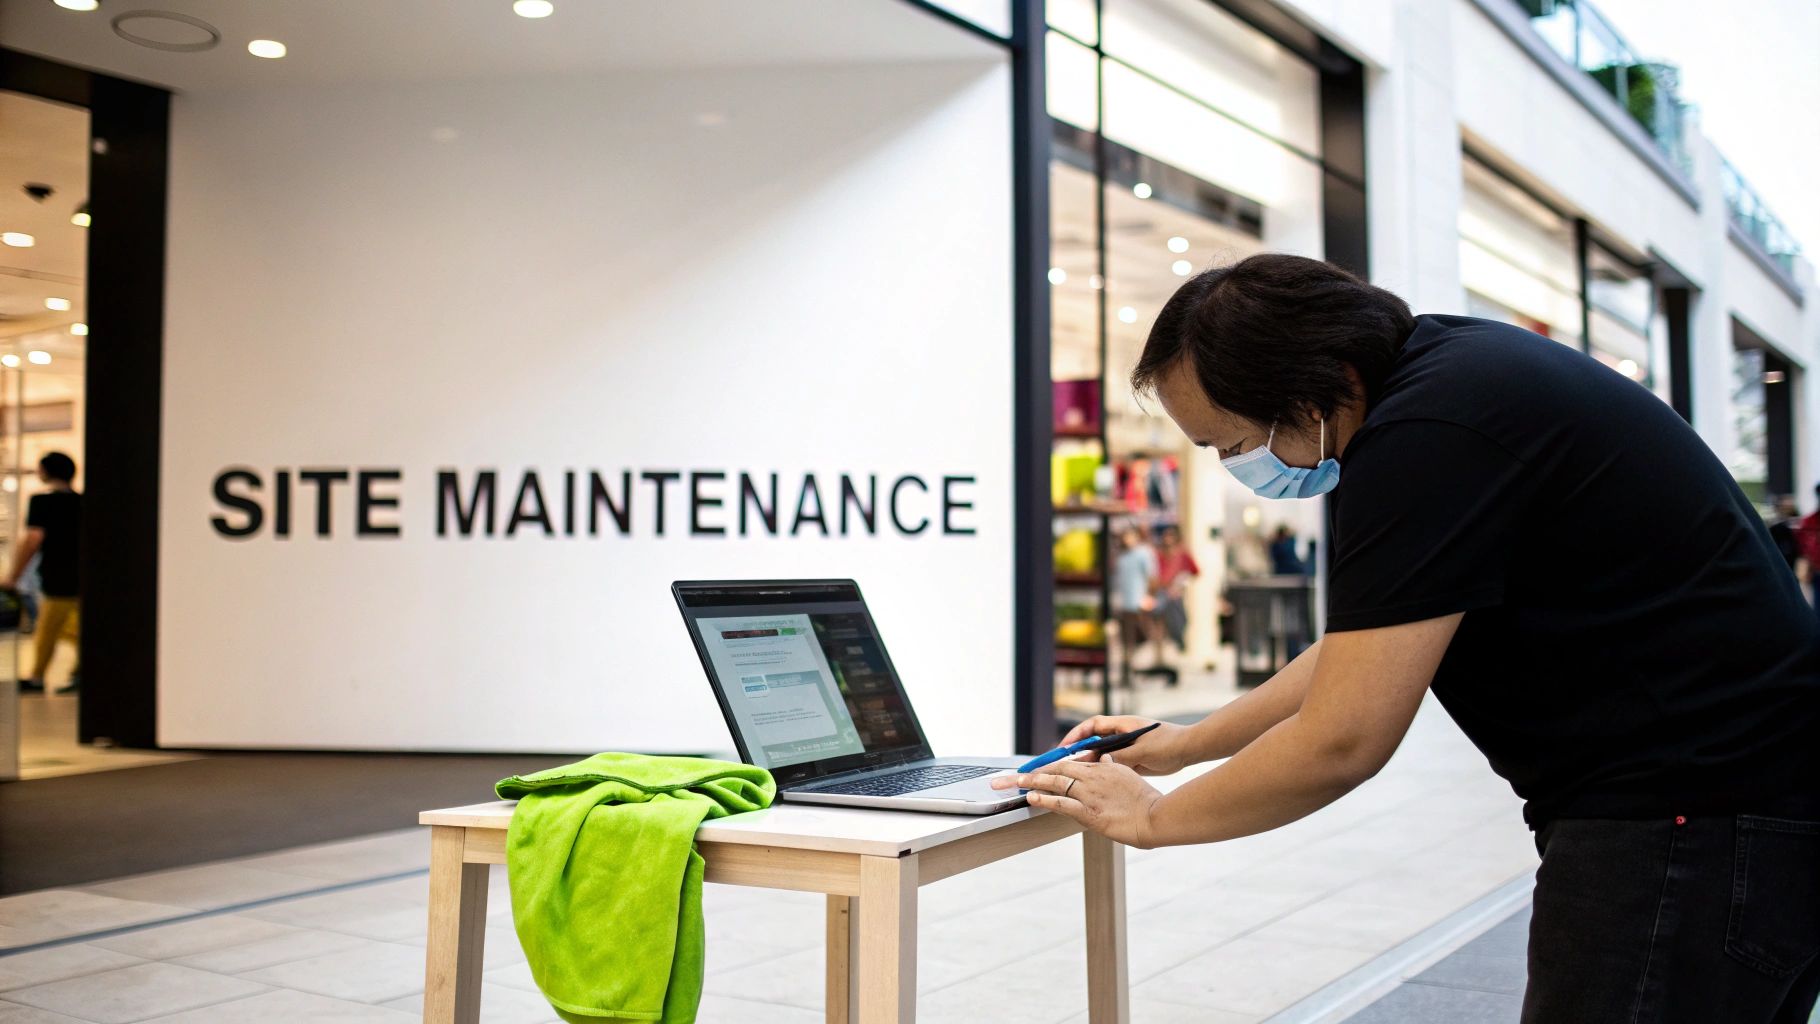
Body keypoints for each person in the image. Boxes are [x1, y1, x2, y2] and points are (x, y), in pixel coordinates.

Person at [993, 254, 1820, 1023]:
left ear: (1316, 392)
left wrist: (1155, 819)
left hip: (1692, 827)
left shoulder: (1427, 435)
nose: (1232, 467)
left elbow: (1345, 738)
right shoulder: (1455, 377)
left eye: (1232, 444)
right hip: (1744, 808)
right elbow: (1364, 648)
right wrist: (1186, 743)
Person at [5, 452, 81, 694]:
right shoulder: (83, 501)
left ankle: (38, 675)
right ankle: (78, 672)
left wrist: (13, 575)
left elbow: (33, 539)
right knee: (76, 627)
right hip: (82, 574)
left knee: (49, 627)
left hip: (58, 574)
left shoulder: (42, 502)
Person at [1110, 524, 1157, 684]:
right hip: (1123, 602)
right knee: (1125, 638)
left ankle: (1130, 665)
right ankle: (1127, 668)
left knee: (1140, 636)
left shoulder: (1143, 553)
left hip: (1137, 602)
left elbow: (1151, 577)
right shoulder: (1121, 556)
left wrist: (1148, 597)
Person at [1153, 524, 1199, 676]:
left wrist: (1180, 585)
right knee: (1158, 626)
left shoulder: (1182, 554)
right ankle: (1160, 660)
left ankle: (1176, 656)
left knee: (1177, 623)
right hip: (1161, 594)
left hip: (1175, 597)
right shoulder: (1159, 554)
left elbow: (1194, 571)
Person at [1768, 495, 1803, 573]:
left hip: (1797, 556)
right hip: (1782, 556)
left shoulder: (1800, 521)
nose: (1787, 507)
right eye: (1785, 506)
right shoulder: (1776, 525)